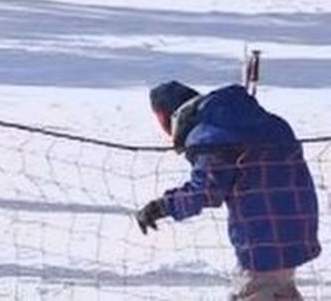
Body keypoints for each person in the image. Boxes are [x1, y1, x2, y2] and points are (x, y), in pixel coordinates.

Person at [136, 81, 320, 299]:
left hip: (261, 235)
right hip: (297, 221)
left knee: (258, 289)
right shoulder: (260, 121)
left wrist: (162, 206)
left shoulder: (211, 135)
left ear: (170, 118)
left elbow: (205, 191)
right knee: (277, 289)